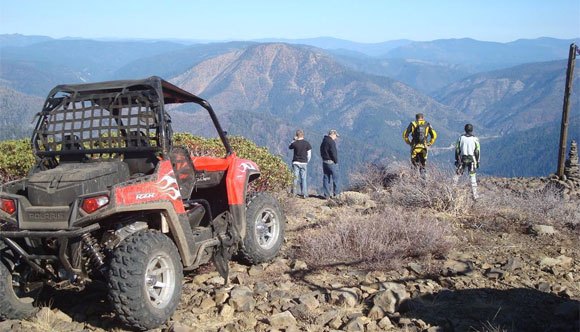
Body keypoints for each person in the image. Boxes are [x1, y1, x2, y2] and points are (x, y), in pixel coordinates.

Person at [454, 123, 481, 199]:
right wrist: (478, 161)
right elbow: (477, 151)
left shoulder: (460, 138)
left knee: (457, 175)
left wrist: (456, 159)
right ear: (472, 130)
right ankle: (475, 195)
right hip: (472, 160)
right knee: (472, 177)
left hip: (463, 159)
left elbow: (457, 149)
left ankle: (452, 189)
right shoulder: (475, 139)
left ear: (465, 129)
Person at [289, 129, 312, 198]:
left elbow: (290, 146)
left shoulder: (295, 143)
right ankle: (304, 194)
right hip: (304, 163)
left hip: (296, 162)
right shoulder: (307, 143)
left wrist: (293, 140)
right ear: (303, 135)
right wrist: (307, 161)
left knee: (295, 178)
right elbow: (309, 154)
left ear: (297, 135)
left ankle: (293, 193)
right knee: (303, 178)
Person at [320, 129, 340, 198]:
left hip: (324, 162)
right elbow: (333, 153)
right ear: (333, 134)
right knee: (336, 179)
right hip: (331, 162)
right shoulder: (331, 142)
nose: (336, 138)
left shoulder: (324, 141)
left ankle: (326, 195)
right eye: (336, 136)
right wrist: (336, 161)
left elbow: (321, 151)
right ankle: (336, 194)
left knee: (326, 178)